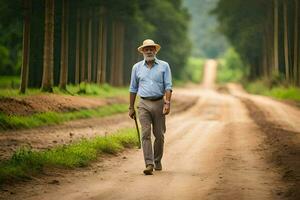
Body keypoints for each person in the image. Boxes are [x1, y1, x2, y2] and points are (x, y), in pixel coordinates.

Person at [128, 39, 172, 175]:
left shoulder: (164, 66)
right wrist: (131, 107)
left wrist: (167, 103)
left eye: (151, 49)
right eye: (146, 49)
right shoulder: (136, 68)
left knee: (159, 135)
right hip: (143, 104)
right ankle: (149, 163)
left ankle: (157, 160)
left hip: (159, 102)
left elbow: (168, 86)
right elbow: (133, 88)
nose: (149, 51)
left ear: (155, 50)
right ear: (142, 51)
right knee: (145, 133)